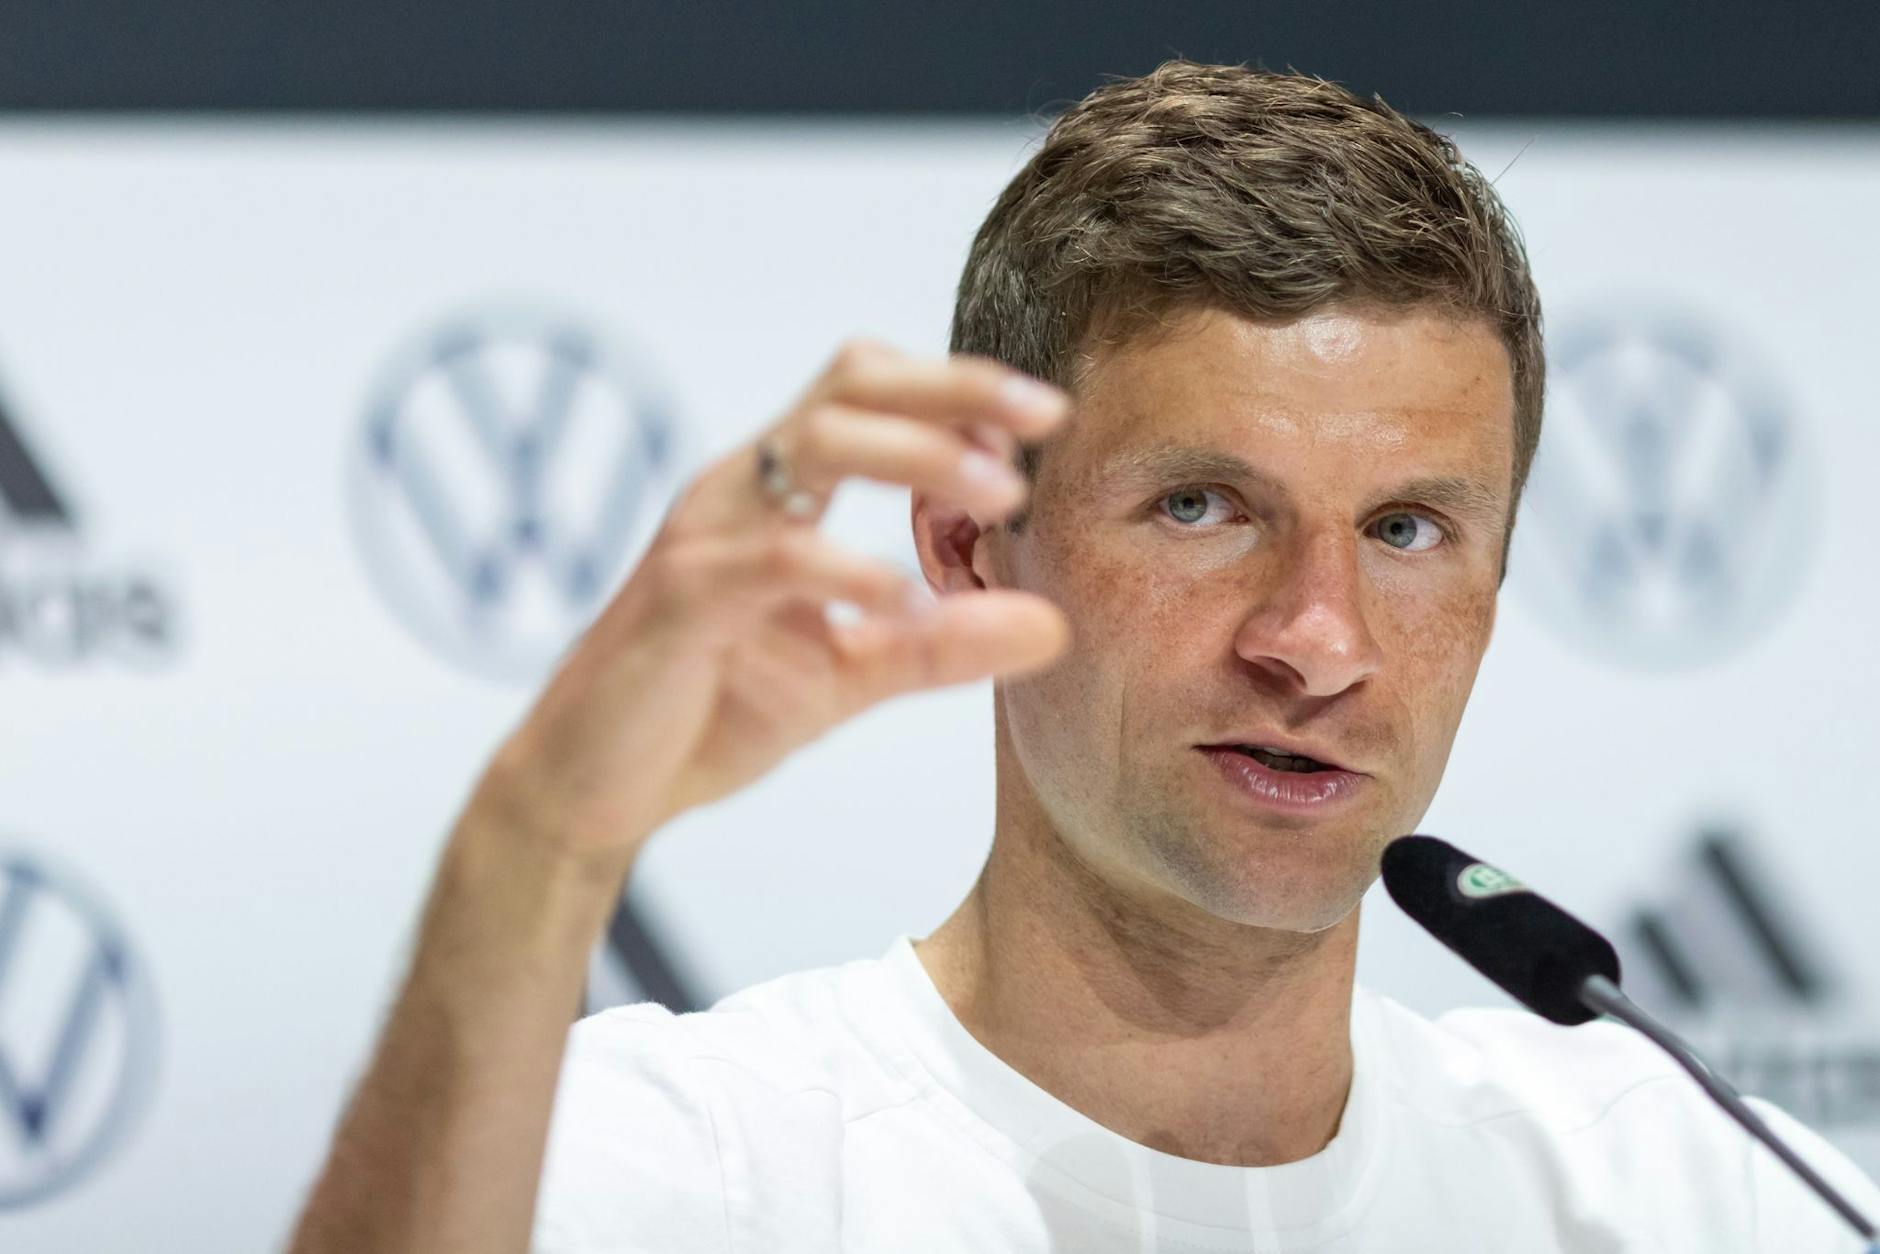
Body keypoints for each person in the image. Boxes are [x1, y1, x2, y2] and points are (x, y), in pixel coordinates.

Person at [288, 61, 1880, 1253]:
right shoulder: (678, 1165)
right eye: (1202, 507)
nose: (1319, 642)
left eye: (1406, 529)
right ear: (968, 537)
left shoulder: (1693, 1193)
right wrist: (541, 841)